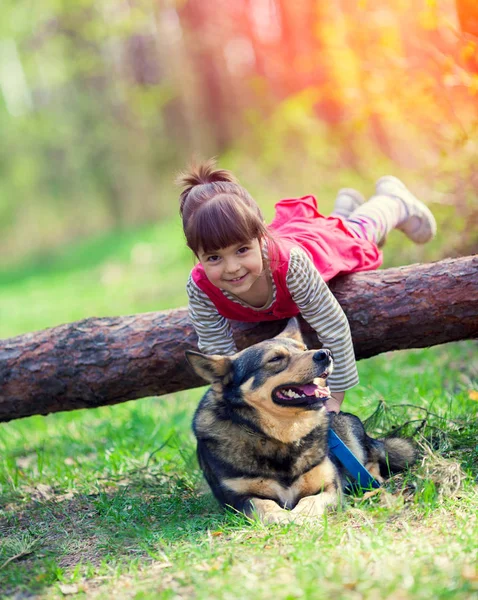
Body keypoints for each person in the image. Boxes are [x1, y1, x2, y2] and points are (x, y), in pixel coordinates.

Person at [177, 159, 436, 413]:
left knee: (356, 234)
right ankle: (344, 209)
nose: (232, 267)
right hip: (297, 242)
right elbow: (218, 355)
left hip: (317, 249)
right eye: (214, 257)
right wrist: (238, 404)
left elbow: (332, 326)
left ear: (260, 237)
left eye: (242, 250)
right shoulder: (201, 287)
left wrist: (334, 396)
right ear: (197, 255)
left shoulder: (290, 265)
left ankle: (393, 201)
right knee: (338, 227)